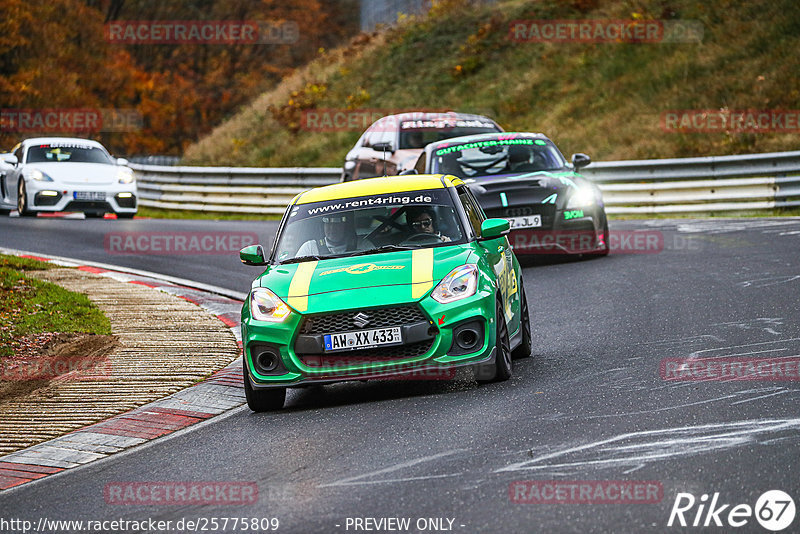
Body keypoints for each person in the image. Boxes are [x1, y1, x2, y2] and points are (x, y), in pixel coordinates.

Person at [296, 213, 361, 256]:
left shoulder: (363, 247)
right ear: (323, 226)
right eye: (328, 223)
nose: (332, 228)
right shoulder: (310, 248)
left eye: (337, 223)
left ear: (346, 226)